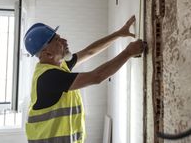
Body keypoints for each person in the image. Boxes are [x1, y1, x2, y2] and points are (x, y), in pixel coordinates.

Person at [24, 15, 145, 143]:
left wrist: (119, 34)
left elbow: (89, 52)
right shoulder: (48, 78)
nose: (64, 41)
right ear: (48, 53)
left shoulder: (59, 66)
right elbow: (96, 77)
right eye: (57, 40)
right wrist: (128, 53)